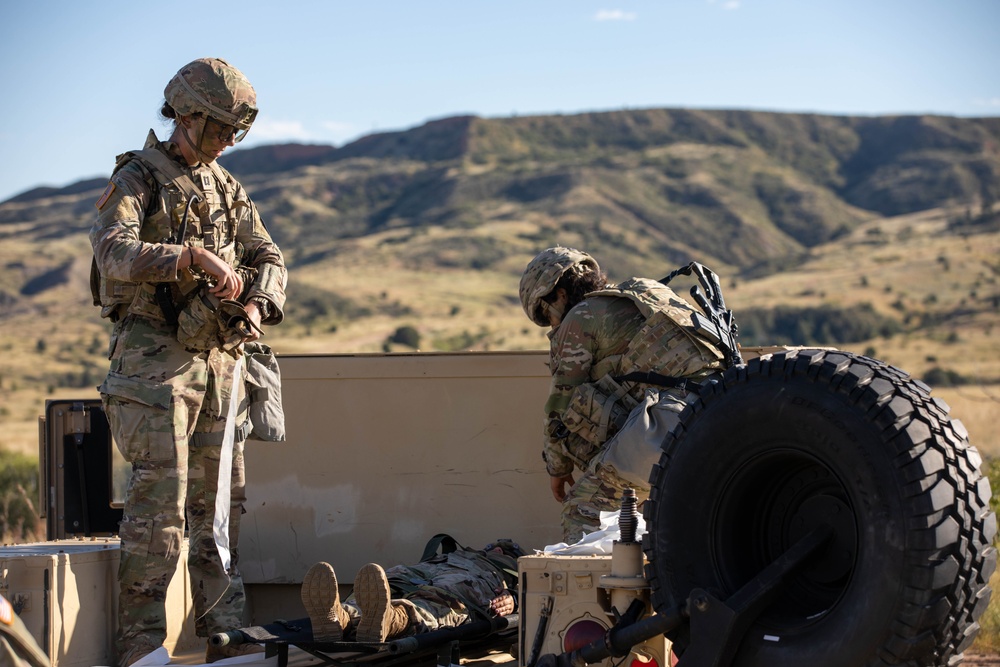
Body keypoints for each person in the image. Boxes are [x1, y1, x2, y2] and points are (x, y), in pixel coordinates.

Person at [90, 57, 287, 666]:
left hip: (222, 363)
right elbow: (111, 250)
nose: (228, 140)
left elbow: (270, 256)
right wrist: (191, 257)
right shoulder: (139, 177)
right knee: (160, 510)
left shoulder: (227, 187)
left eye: (236, 131)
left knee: (220, 513)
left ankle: (229, 645)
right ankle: (143, 649)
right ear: (187, 115)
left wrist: (256, 301)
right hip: (156, 368)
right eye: (221, 128)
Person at [519, 247, 727, 543]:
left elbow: (559, 406)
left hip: (671, 424)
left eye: (546, 314)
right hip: (723, 406)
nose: (552, 324)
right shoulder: (646, 291)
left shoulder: (581, 317)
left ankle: (597, 576)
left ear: (560, 294)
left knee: (583, 511)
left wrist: (558, 467)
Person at [300, 539, 522, 643]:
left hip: (476, 577)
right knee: (390, 580)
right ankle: (341, 617)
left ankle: (392, 620)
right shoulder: (463, 551)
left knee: (444, 599)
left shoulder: (520, 569)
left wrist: (514, 598)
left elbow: (536, 597)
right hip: (433, 568)